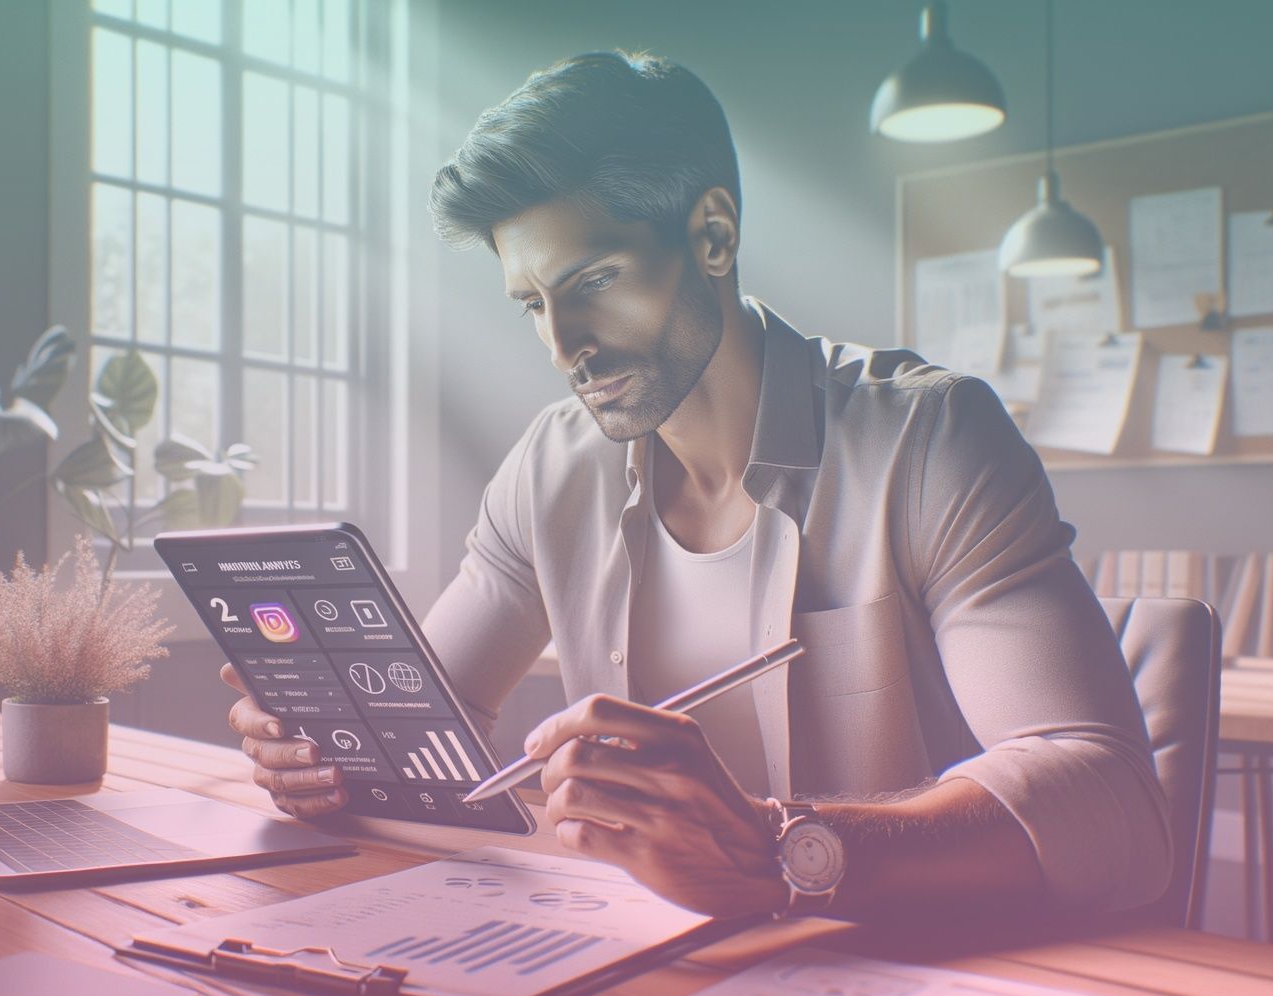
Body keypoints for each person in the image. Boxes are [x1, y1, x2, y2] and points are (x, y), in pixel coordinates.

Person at [225, 50, 1171, 921]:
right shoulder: (550, 471)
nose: (564, 345)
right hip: (646, 965)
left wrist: (779, 848)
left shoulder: (931, 439)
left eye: (594, 279)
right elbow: (416, 748)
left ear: (712, 234)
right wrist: (326, 758)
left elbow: (1110, 801)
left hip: (906, 970)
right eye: (533, 304)